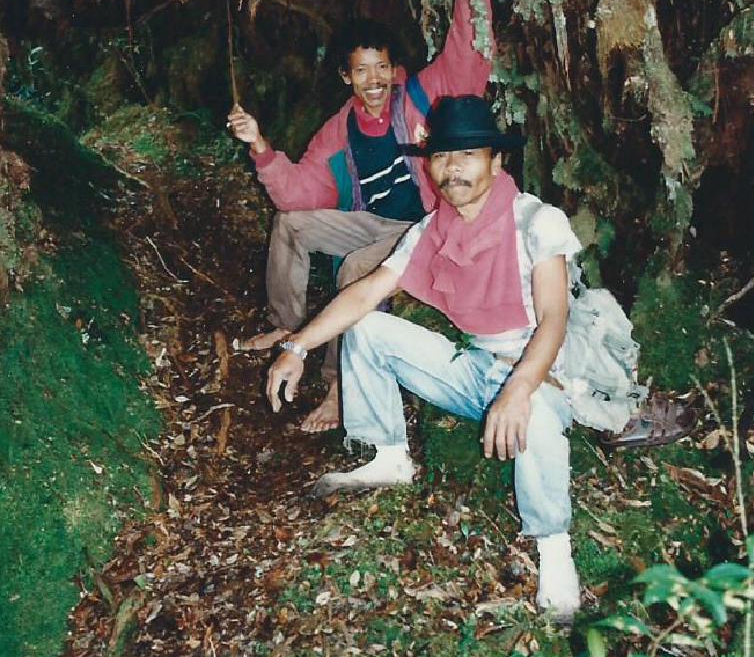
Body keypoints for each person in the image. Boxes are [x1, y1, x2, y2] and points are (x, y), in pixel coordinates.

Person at [265, 95, 694, 623]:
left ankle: (554, 548)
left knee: (532, 413)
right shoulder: (432, 229)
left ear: (496, 160)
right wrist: (297, 346)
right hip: (476, 370)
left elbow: (554, 318)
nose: (453, 168)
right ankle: (389, 455)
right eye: (443, 155)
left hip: (545, 373)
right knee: (369, 327)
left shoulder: (536, 221)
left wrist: (518, 389)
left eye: (468, 154)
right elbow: (366, 291)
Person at [228, 0, 494, 433]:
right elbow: (300, 192)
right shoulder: (339, 130)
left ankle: (338, 385)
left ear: (395, 71)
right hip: (371, 222)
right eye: (361, 72)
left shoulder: (420, 98)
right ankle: (286, 326)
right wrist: (260, 145)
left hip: (422, 227)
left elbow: (468, 57)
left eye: (382, 69)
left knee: (354, 268)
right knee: (289, 223)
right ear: (346, 78)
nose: (374, 81)